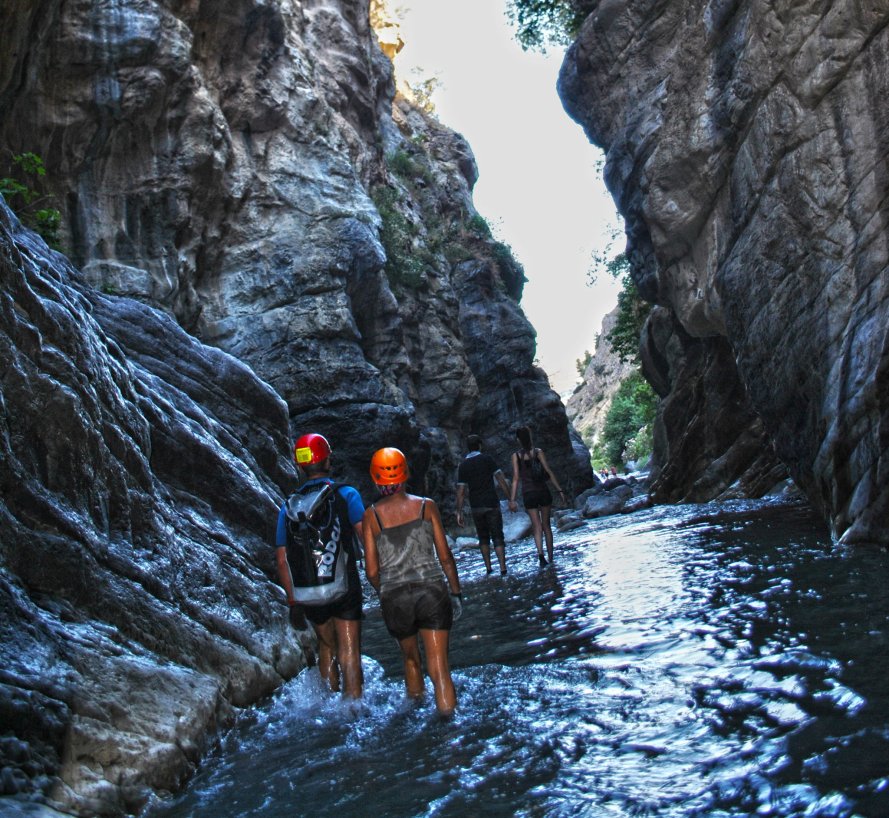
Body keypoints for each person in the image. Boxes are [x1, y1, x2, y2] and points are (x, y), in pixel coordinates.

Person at [362, 447, 463, 716]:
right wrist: (455, 592)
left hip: (395, 598)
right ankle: (448, 720)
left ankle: (416, 713)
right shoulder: (426, 506)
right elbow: (445, 556)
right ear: (405, 472)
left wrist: (384, 590)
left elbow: (371, 570)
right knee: (439, 667)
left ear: (376, 478)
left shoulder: (371, 516)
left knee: (410, 660)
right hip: (432, 592)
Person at [275, 433, 364, 699]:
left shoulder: (288, 507)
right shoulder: (346, 494)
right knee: (349, 648)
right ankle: (352, 706)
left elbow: (282, 559)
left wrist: (293, 601)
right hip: (344, 585)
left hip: (309, 591)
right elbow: (366, 538)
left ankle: (326, 705)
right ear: (327, 459)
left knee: (326, 646)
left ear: (300, 465)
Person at [455, 434, 517, 575]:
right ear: (480, 445)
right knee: (497, 536)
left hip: (476, 505)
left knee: (483, 538)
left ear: (468, 448)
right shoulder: (487, 459)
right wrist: (510, 499)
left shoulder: (463, 466)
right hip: (491, 503)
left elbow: (461, 491)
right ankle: (503, 568)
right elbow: (501, 480)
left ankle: (488, 568)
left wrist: (459, 511)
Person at [509, 426, 567, 566]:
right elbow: (548, 471)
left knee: (536, 526)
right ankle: (551, 557)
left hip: (529, 493)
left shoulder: (516, 456)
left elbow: (516, 478)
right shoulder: (538, 452)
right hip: (543, 491)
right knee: (546, 525)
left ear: (518, 440)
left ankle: (541, 555)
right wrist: (559, 490)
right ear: (530, 437)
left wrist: (512, 499)